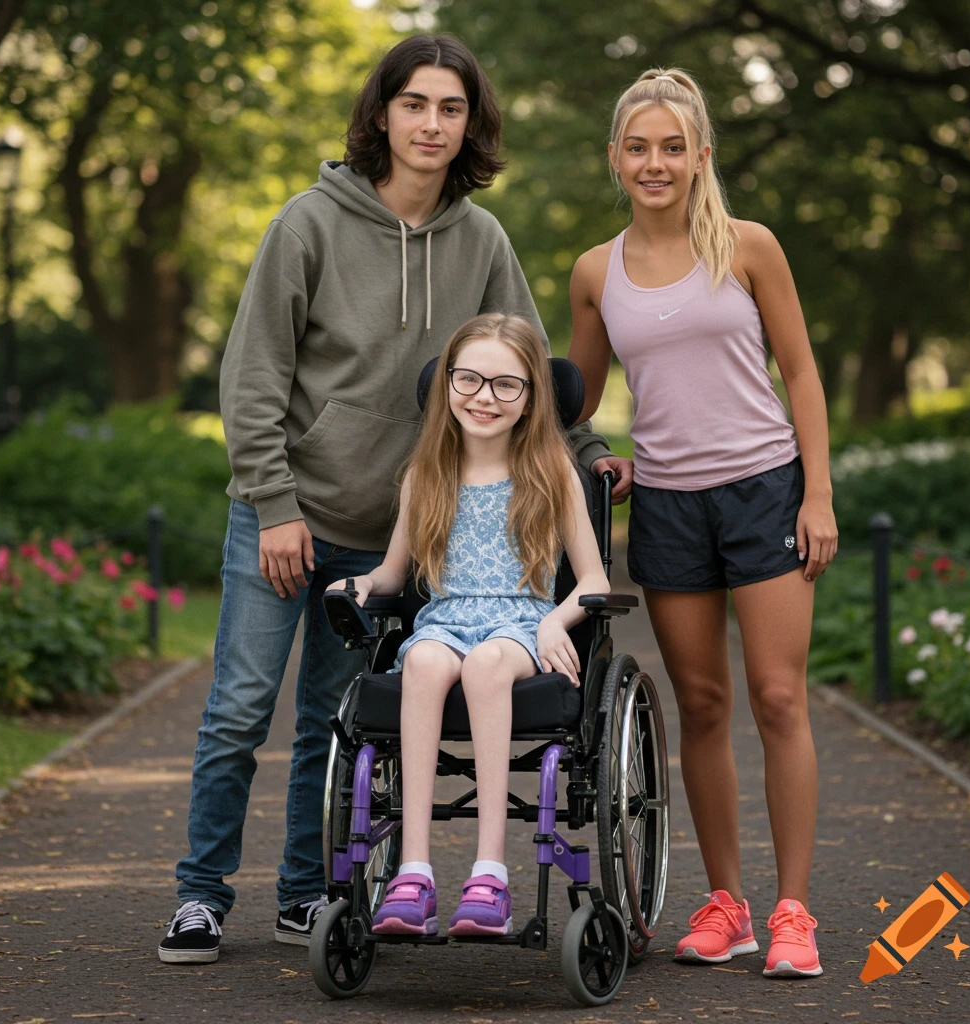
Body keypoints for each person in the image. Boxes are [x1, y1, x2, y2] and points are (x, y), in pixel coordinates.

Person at [159, 35, 626, 965]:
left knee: (329, 725)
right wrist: (275, 503)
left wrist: (589, 452)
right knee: (240, 709)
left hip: (396, 537)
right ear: (382, 113)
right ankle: (201, 896)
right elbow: (253, 377)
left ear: (470, 125)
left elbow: (527, 370)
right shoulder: (307, 225)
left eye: (451, 108)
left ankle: (304, 895)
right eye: (415, 104)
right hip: (287, 514)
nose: (431, 124)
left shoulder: (481, 240)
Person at [568, 68, 838, 979]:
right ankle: (729, 905)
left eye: (673, 148)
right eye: (639, 148)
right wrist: (600, 453)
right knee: (704, 706)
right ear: (616, 158)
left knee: (778, 697)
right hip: (669, 506)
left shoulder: (748, 247)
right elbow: (577, 399)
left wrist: (817, 494)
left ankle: (793, 911)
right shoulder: (595, 272)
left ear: (700, 157)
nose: (656, 163)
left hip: (764, 491)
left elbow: (800, 372)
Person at [327, 312, 610, 937]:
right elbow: (394, 573)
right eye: (470, 380)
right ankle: (414, 872)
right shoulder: (426, 473)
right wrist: (363, 586)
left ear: (531, 397)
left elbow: (594, 581)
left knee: (486, 664)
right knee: (423, 660)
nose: (485, 397)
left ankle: (490, 874)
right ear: (447, 384)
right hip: (444, 622)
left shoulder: (550, 470)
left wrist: (556, 623)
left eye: (506, 384)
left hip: (522, 623)